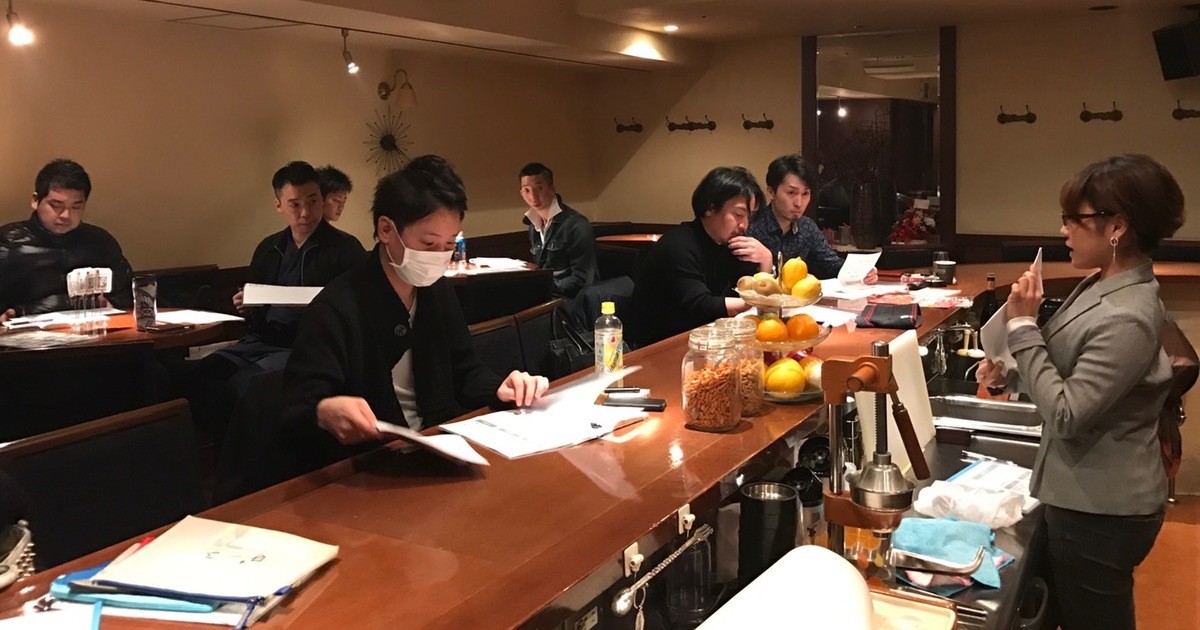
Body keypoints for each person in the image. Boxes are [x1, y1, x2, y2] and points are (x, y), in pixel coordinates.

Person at [976, 154, 1185, 630]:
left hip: (1102, 509)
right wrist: (1011, 377)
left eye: (1075, 219)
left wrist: (1023, 326)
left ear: (1118, 227)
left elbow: (1069, 414)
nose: (1065, 230)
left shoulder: (1128, 314)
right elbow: (1072, 373)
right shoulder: (1104, 284)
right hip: (1082, 496)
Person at [281, 155, 549, 468]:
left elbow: (464, 369)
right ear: (386, 229)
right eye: (429, 243)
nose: (440, 257)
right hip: (374, 462)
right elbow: (295, 410)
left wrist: (500, 387)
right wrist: (324, 411)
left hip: (442, 443)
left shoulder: (437, 290)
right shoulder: (336, 308)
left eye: (449, 244)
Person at [188, 161, 366, 441]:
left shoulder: (346, 249)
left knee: (247, 385)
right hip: (261, 340)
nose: (305, 212)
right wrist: (246, 304)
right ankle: (224, 448)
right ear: (279, 206)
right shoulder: (269, 248)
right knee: (203, 374)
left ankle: (248, 453)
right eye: (295, 204)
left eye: (313, 201)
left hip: (307, 345)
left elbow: (359, 305)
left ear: (322, 200)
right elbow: (255, 299)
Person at [628, 166, 773, 347]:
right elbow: (701, 305)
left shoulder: (729, 243)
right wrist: (755, 304)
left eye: (748, 217)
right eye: (738, 214)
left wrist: (766, 260)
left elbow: (750, 290)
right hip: (658, 347)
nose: (744, 225)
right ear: (710, 207)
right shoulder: (677, 245)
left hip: (706, 341)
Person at [0, 159, 133, 316]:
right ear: (36, 201)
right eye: (56, 206)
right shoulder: (7, 243)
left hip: (93, 327)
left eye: (76, 207)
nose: (66, 215)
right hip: (23, 328)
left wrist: (111, 304)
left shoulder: (100, 242)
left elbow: (128, 295)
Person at [747, 154, 876, 283]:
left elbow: (831, 264)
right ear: (771, 192)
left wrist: (861, 272)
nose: (799, 203)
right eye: (791, 193)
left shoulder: (806, 227)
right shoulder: (750, 226)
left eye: (805, 194)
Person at [519, 162, 596, 299]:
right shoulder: (532, 224)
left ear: (552, 188)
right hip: (549, 296)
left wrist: (542, 288)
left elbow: (582, 279)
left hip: (572, 300)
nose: (533, 196)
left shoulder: (576, 224)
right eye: (527, 190)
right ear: (521, 193)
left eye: (539, 188)